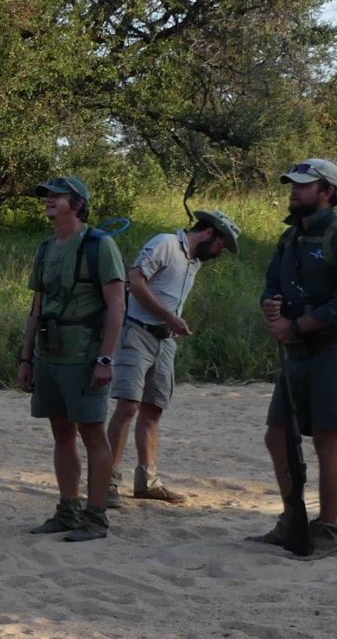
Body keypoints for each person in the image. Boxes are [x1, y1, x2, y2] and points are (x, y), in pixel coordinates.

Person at [249, 158, 337, 560]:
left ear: (327, 192)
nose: (294, 190)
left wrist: (295, 326)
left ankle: (328, 531)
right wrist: (270, 305)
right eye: (293, 184)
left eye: (304, 185)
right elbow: (270, 283)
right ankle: (291, 520)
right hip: (297, 355)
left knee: (326, 441)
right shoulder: (289, 238)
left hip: (336, 352)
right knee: (276, 435)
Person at [105, 210, 242, 507]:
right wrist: (169, 317)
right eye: (222, 244)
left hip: (165, 341)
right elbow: (136, 281)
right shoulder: (166, 243)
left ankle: (147, 481)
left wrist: (172, 323)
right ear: (209, 233)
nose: (221, 252)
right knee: (128, 406)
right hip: (137, 333)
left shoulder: (194, 262)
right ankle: (108, 482)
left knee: (153, 409)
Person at [18, 176, 127, 541]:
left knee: (93, 435)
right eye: (47, 194)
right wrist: (26, 358)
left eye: (57, 195)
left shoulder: (100, 245)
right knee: (61, 434)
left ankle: (96, 518)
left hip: (84, 354)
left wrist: (106, 359)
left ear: (78, 203)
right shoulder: (46, 247)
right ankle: (68, 510)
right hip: (50, 354)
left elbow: (117, 305)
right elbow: (36, 307)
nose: (49, 199)